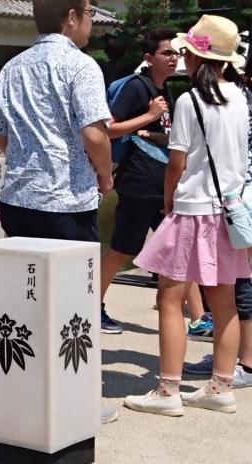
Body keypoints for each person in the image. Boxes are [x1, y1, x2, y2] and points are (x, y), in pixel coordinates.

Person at [0, 0, 118, 423]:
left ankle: (28, 391)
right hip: (66, 200)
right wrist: (105, 176)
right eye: (89, 13)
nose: (91, 22)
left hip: (18, 200)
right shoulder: (80, 66)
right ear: (71, 16)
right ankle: (75, 399)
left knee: (27, 299)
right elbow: (94, 134)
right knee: (73, 304)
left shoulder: (12, 67)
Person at [124, 15, 250, 416]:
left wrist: (168, 203)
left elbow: (175, 164)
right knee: (224, 300)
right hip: (228, 210)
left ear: (197, 56)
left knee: (169, 297)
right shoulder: (240, 98)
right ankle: (221, 386)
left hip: (193, 208)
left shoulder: (190, 101)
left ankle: (168, 390)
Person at [99, 29, 176, 335]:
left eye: (175, 53)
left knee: (175, 250)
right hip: (139, 181)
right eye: (166, 53)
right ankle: (91, 305)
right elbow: (108, 129)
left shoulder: (165, 89)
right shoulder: (136, 87)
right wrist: (149, 115)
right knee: (121, 248)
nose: (173, 58)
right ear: (148, 58)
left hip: (163, 183)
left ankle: (197, 317)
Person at [185, 52, 252, 388]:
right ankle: (232, 359)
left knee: (240, 282)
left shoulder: (237, 96)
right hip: (236, 196)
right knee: (235, 282)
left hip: (237, 198)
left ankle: (246, 363)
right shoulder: (240, 95)